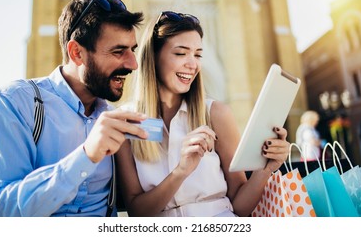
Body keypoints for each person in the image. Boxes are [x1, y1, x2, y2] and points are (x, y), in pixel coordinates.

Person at [0, 0, 148, 217]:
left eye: (132, 50)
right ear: (76, 52)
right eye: (118, 52)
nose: (133, 64)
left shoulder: (114, 119)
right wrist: (86, 156)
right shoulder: (14, 103)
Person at [116, 11, 290, 217]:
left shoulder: (216, 113)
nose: (193, 64)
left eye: (198, 54)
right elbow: (137, 212)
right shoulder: (126, 121)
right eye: (181, 53)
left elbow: (241, 206)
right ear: (153, 56)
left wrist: (265, 169)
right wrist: (181, 171)